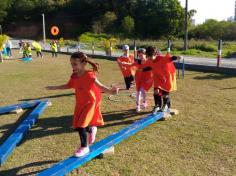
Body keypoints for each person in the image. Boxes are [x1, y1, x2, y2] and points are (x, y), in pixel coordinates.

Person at [46, 52, 119, 157]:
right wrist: (54, 87)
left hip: (90, 103)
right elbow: (68, 85)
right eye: (71, 64)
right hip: (80, 104)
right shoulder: (74, 76)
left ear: (83, 64)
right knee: (78, 125)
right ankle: (92, 129)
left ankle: (84, 147)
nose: (73, 66)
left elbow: (100, 86)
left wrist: (111, 92)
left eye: (75, 64)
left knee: (81, 125)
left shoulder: (89, 75)